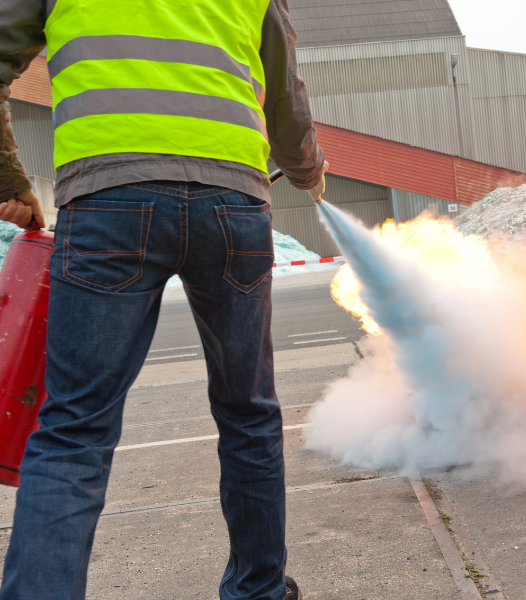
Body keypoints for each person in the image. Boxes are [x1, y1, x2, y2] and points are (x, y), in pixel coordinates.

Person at [0, 1, 328, 598]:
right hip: (232, 201)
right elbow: (284, 92)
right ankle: (259, 590)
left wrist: (6, 178)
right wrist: (305, 169)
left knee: (75, 431)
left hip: (108, 198)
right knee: (249, 413)